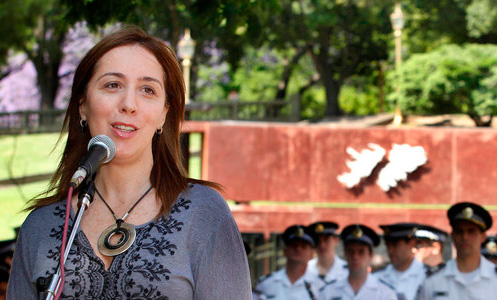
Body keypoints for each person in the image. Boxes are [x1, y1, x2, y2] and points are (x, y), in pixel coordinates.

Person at [7, 26, 252, 299]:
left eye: (148, 90)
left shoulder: (204, 214)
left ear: (163, 114)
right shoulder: (40, 227)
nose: (129, 104)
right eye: (112, 85)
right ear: (82, 105)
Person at [417, 202, 497, 300]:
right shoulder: (433, 279)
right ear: (453, 236)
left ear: (483, 237)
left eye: (471, 231)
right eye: (459, 231)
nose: (465, 237)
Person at [319, 224, 397, 300]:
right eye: (351, 251)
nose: (355, 256)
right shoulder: (329, 292)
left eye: (361, 252)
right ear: (345, 254)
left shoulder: (385, 294)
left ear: (370, 255)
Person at [253, 225, 321, 300]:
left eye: (303, 247)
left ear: (311, 254)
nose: (298, 249)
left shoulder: (320, 286)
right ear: (285, 251)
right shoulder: (266, 284)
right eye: (294, 246)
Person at [373, 223, 425, 300]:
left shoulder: (426, 277)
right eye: (388, 245)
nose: (390, 251)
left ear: (412, 243)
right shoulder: (377, 277)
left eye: (395, 245)